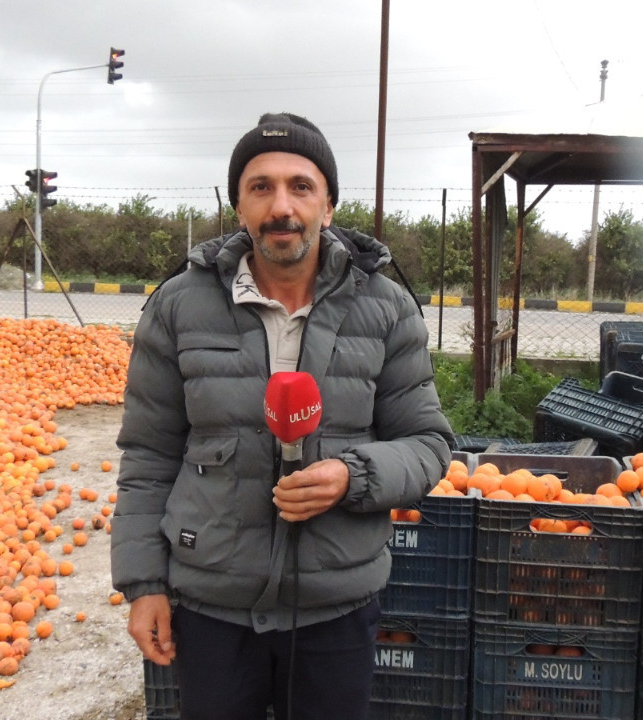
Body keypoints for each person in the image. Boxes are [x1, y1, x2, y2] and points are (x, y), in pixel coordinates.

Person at [111, 112, 454, 720]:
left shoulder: (386, 307)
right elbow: (148, 454)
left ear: (328, 204)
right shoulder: (178, 306)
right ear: (238, 205)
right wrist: (144, 586)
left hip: (335, 603)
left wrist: (355, 476)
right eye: (260, 186)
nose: (281, 206)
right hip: (211, 601)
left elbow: (427, 443)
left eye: (301, 186)